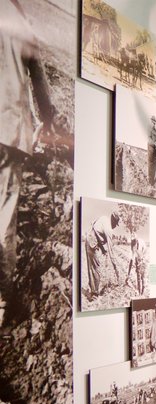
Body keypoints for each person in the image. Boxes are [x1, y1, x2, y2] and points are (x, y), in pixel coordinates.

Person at [0, 0, 59, 328]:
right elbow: (37, 76)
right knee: (4, 220)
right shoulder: (16, 18)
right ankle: (5, 302)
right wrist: (48, 118)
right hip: (9, 132)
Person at [84, 212, 121, 300]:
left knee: (91, 267)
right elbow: (111, 251)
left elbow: (96, 231)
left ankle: (93, 289)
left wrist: (103, 250)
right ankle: (95, 294)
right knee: (96, 268)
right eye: (116, 224)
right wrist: (116, 267)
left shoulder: (104, 218)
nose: (116, 226)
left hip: (88, 239)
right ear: (113, 221)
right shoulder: (108, 230)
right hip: (92, 242)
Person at [147, 115, 156, 186]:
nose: (154, 123)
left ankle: (152, 180)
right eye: (153, 122)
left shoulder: (155, 130)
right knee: (150, 163)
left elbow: (155, 139)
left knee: (154, 163)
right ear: (151, 121)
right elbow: (149, 137)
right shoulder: (149, 128)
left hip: (154, 147)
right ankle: (150, 180)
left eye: (155, 122)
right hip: (151, 146)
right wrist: (154, 143)